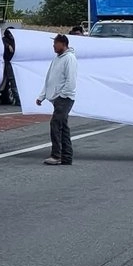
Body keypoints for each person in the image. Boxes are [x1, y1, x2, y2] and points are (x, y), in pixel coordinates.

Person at [37, 33, 78, 166]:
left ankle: (57, 155)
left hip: (64, 99)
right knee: (63, 128)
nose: (53, 46)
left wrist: (63, 95)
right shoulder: (57, 59)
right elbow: (50, 79)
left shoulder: (69, 58)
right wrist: (42, 96)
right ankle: (66, 157)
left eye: (55, 43)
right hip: (57, 98)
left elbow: (70, 80)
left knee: (55, 125)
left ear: (63, 44)